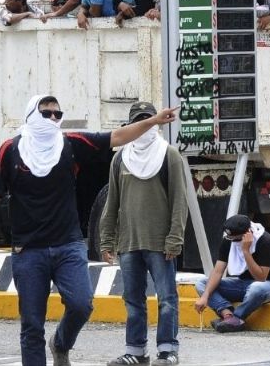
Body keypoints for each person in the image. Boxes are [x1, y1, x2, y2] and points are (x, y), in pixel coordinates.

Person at [0, 95, 177, 366]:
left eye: (57, 114)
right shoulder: (10, 150)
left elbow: (116, 137)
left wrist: (155, 121)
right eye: (46, 113)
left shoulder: (70, 145)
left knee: (81, 305)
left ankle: (61, 343)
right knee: (31, 325)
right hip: (28, 250)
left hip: (68, 246)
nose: (53, 118)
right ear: (31, 114)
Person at [100, 102, 188, 366]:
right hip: (129, 244)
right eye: (140, 120)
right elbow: (111, 202)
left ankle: (168, 350)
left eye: (150, 119)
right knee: (133, 301)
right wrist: (107, 239)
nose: (146, 124)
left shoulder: (168, 155)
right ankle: (136, 351)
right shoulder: (120, 158)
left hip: (160, 245)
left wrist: (175, 238)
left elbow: (179, 201)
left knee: (167, 299)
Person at [194, 215, 270, 333]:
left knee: (256, 288)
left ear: (247, 233)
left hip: (269, 285)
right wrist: (205, 296)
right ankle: (227, 315)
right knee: (202, 283)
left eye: (236, 239)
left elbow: (261, 277)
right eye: (230, 238)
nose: (233, 242)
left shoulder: (266, 242)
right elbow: (217, 271)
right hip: (242, 284)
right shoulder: (229, 241)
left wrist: (246, 251)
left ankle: (237, 317)